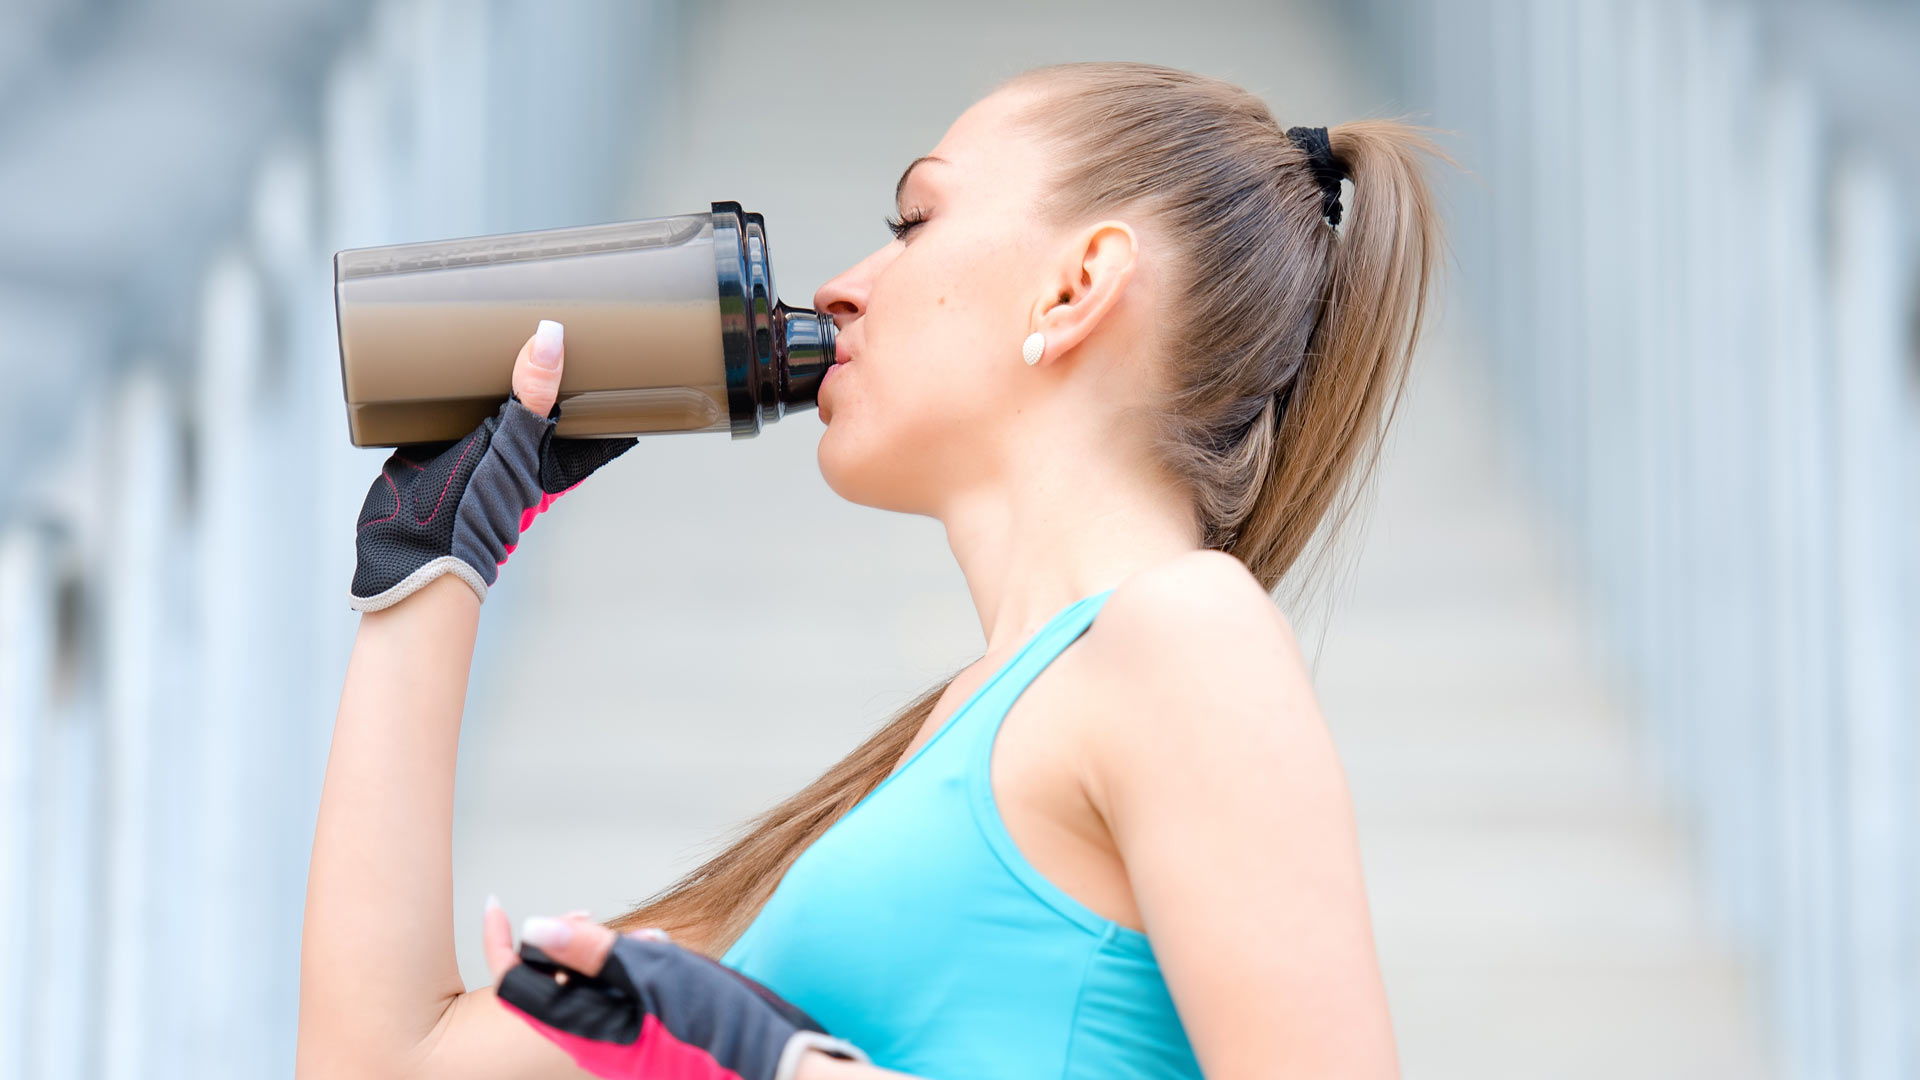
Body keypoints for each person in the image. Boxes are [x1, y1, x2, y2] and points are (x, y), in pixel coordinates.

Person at [297, 59, 1442, 1080]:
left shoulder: (1187, 635)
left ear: (1076, 286)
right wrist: (432, 558)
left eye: (913, 221)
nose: (843, 284)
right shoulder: (917, 771)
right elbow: (382, 1064)